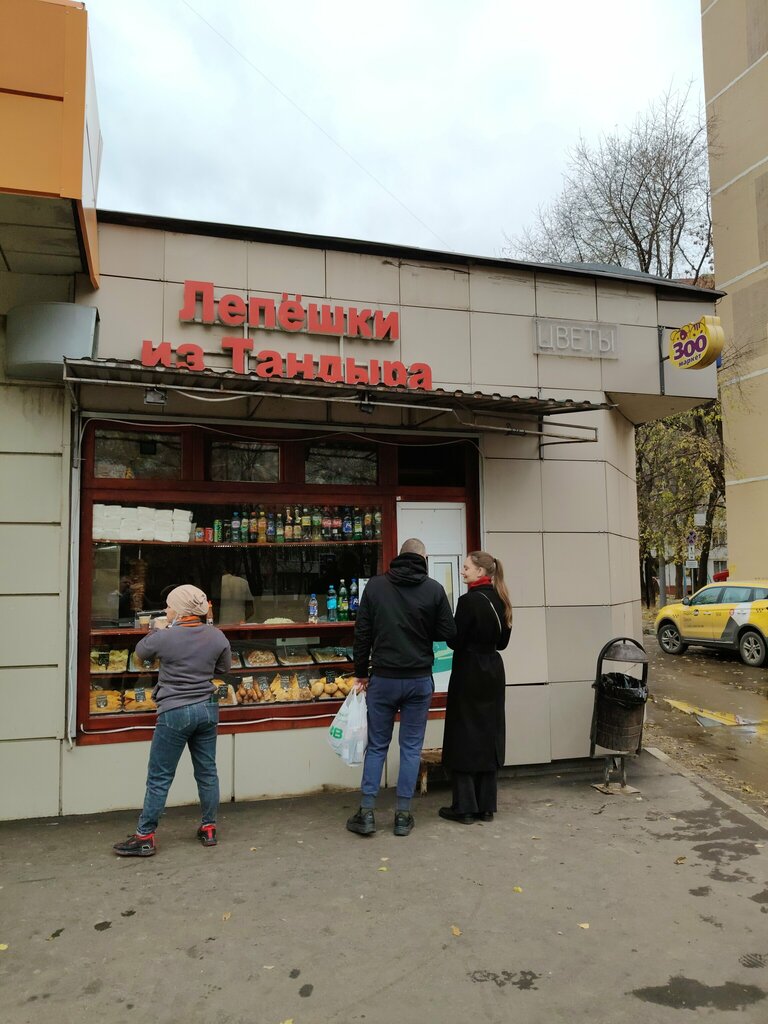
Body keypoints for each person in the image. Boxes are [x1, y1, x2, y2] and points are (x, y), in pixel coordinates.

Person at [347, 538, 456, 838]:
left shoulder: (376, 587)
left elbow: (362, 633)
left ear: (399, 556)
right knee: (410, 748)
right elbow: (449, 632)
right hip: (419, 680)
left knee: (377, 745)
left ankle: (367, 813)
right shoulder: (433, 589)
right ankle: (402, 816)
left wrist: (360, 674)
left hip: (382, 679)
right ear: (424, 557)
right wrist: (423, 625)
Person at [113, 585, 231, 857]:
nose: (167, 610)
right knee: (207, 771)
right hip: (207, 709)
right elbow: (223, 669)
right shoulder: (217, 636)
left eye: (169, 606)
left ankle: (144, 835)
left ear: (180, 609)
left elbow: (140, 653)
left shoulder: (165, 636)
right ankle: (209, 828)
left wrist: (160, 628)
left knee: (160, 776)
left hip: (174, 711)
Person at [440, 551, 513, 824]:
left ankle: (465, 807)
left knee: (463, 734)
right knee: (488, 733)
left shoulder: (467, 601)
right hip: (493, 670)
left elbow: (455, 641)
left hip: (468, 670)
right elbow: (503, 643)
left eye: (466, 567)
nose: (462, 571)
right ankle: (486, 806)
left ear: (481, 572)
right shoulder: (502, 599)